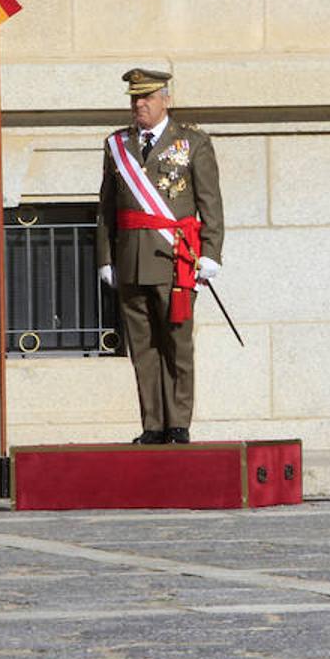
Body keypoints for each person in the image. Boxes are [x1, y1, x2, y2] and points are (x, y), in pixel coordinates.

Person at [96, 69, 224, 445]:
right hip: (132, 260)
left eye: (147, 97)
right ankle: (153, 423)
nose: (140, 104)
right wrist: (106, 257)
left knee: (177, 344)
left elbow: (210, 203)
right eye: (135, 98)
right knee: (143, 346)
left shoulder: (193, 143)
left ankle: (178, 423)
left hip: (175, 261)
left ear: (165, 99)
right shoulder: (116, 145)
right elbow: (106, 207)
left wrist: (212, 253)